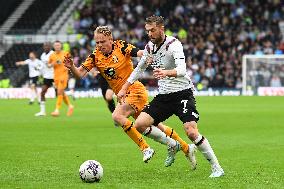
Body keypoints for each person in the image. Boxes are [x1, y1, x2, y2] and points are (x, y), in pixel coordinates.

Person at [64, 26, 196, 167]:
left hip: (135, 90)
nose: (99, 45)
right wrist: (72, 66)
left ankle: (145, 148)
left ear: (111, 39)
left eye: (102, 42)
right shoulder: (95, 56)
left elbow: (138, 52)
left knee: (117, 116)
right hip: (123, 95)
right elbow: (79, 75)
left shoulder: (120, 46)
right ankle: (186, 148)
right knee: (155, 126)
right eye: (97, 42)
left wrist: (147, 55)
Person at [118, 15, 224, 177]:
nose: (150, 34)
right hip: (164, 96)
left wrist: (166, 72)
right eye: (147, 31)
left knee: (191, 132)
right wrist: (124, 88)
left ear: (162, 28)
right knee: (140, 124)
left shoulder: (174, 44)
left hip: (183, 93)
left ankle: (217, 168)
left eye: (153, 30)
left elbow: (182, 70)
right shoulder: (149, 48)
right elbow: (139, 69)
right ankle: (173, 144)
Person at [48, 41, 74, 117]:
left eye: (58, 45)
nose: (57, 46)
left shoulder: (66, 53)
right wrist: (54, 63)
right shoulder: (52, 55)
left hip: (64, 76)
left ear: (61, 46)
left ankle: (57, 110)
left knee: (59, 92)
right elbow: (49, 65)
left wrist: (67, 66)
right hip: (56, 76)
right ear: (54, 46)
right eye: (55, 45)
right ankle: (70, 106)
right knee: (61, 92)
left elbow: (71, 63)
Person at [35, 42, 54, 116]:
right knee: (42, 92)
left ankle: (70, 98)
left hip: (55, 76)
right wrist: (39, 68)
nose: (46, 47)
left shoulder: (53, 54)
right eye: (44, 46)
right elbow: (43, 66)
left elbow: (57, 63)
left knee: (60, 93)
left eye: (47, 46)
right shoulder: (42, 55)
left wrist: (51, 65)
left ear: (50, 46)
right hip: (47, 77)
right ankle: (42, 112)